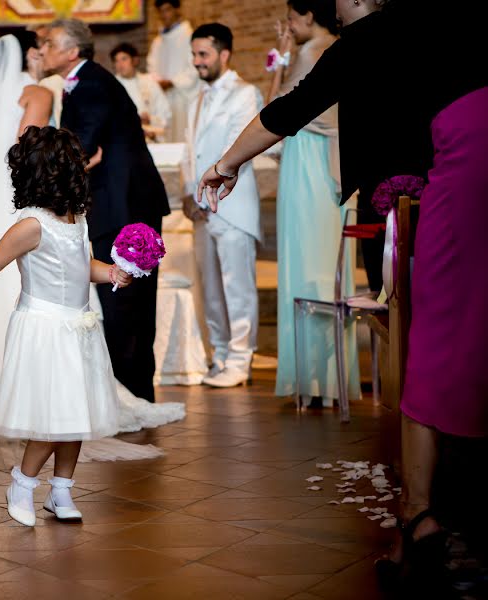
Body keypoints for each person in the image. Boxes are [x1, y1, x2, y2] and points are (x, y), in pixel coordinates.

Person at [196, 0, 488, 591]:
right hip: (452, 167)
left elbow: (290, 111)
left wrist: (226, 163)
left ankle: (422, 516)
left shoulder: (363, 41)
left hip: (447, 188)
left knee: (428, 345)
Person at [0, 32, 183, 449]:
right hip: (34, 201)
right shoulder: (38, 92)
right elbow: (29, 148)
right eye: (39, 48)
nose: (44, 53)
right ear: (31, 56)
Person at [0, 126, 135, 526]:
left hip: (78, 325)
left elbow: (80, 267)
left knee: (77, 415)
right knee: (51, 416)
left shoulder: (77, 218)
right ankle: (21, 485)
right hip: (44, 329)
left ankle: (61, 491)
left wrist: (110, 272)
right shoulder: (30, 225)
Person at [42, 18, 171, 403]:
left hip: (122, 208)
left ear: (71, 51)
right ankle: (128, 392)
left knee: (124, 303)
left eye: (50, 44)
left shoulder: (93, 85)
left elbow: (78, 148)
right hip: (119, 203)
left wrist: (52, 166)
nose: (43, 49)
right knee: (121, 304)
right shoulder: (87, 81)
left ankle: (130, 395)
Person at [265, 0, 358, 405]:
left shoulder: (315, 49)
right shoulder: (317, 49)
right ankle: (319, 379)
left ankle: (318, 381)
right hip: (309, 163)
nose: (287, 25)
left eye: (290, 18)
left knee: (311, 266)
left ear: (307, 16)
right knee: (314, 264)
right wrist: (282, 61)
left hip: (312, 167)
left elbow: (276, 111)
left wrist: (283, 62)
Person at [182, 23, 262, 389]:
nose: (198, 62)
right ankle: (219, 354)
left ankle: (241, 359)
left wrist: (205, 192)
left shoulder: (245, 93)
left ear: (224, 54)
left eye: (204, 54)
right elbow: (190, 150)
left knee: (237, 287)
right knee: (211, 288)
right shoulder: (195, 97)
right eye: (195, 54)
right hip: (202, 207)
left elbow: (236, 148)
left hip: (232, 205)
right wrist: (189, 192)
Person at [147, 0, 201, 142]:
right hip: (163, 97)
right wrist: (158, 81)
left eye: (168, 9)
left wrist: (173, 82)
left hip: (183, 98)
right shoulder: (158, 42)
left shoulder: (189, 36)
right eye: (161, 11)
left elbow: (195, 66)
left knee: (184, 139)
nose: (164, 14)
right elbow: (151, 66)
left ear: (177, 10)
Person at [110, 42, 171, 141]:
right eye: (116, 61)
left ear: (135, 60)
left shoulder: (149, 82)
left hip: (149, 137)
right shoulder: (111, 85)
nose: (120, 64)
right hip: (123, 140)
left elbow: (166, 114)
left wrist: (150, 119)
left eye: (124, 59)